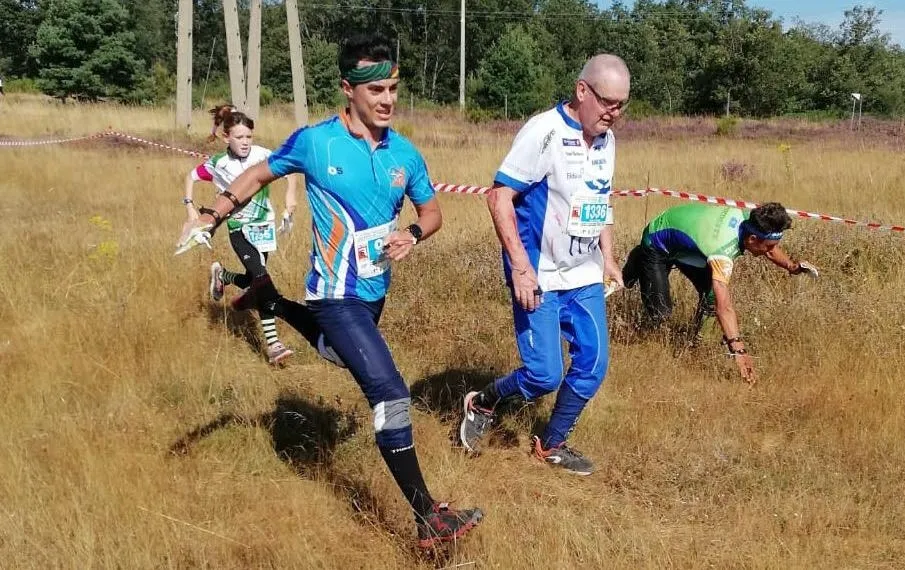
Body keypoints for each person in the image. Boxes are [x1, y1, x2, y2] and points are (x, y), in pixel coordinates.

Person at [175, 33, 482, 548]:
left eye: (393, 88)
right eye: (376, 89)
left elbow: (433, 213)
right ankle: (427, 516)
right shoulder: (316, 143)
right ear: (348, 89)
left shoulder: (404, 152)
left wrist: (411, 234)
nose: (387, 99)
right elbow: (255, 176)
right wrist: (210, 213)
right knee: (389, 390)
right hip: (334, 295)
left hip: (373, 292)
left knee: (337, 356)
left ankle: (268, 300)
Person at [458, 54, 631, 476]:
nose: (614, 112)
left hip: (584, 273)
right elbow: (498, 196)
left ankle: (551, 443)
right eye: (607, 101)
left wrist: (607, 255)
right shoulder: (544, 131)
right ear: (581, 91)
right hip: (538, 271)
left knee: (593, 365)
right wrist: (520, 267)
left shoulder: (607, 140)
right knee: (543, 375)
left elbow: (599, 198)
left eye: (622, 104)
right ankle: (484, 402)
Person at [621, 201, 819, 383]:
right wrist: (738, 350)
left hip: (687, 244)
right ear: (752, 239)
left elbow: (768, 247)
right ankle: (638, 258)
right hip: (657, 241)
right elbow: (724, 307)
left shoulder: (749, 219)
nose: (771, 250)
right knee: (661, 314)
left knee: (709, 297)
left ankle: (695, 346)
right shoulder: (722, 250)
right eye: (769, 246)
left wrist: (792, 266)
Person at [180, 105, 298, 365]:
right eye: (239, 137)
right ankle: (273, 344)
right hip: (238, 228)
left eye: (249, 137)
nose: (245, 142)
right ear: (226, 138)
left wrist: (290, 198)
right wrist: (189, 208)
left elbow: (289, 169)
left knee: (255, 280)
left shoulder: (263, 155)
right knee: (262, 279)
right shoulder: (218, 164)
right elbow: (190, 177)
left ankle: (223, 275)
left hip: (264, 227)